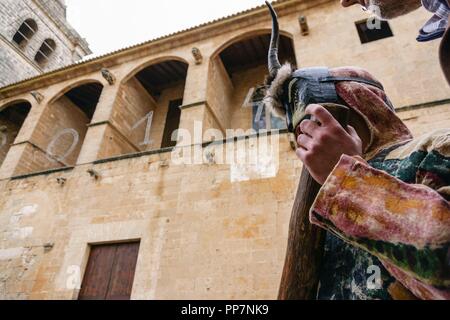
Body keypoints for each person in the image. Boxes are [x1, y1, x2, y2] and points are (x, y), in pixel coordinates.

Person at [295, 0, 450, 299]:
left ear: (366, 105)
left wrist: (348, 184)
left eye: (324, 116)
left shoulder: (436, 147)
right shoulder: (319, 209)